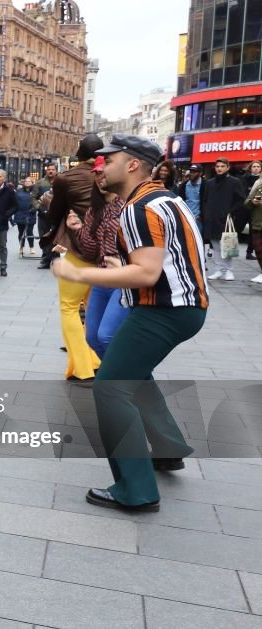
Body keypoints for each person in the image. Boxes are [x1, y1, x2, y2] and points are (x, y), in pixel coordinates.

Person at [53, 134, 207, 512]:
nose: (99, 166)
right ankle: (168, 448)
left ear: (133, 164)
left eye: (109, 160)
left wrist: (80, 275)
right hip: (183, 307)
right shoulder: (164, 198)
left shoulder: (139, 208)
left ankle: (135, 490)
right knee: (131, 374)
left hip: (165, 310)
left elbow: (146, 274)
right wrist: (121, 266)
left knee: (109, 388)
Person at [43, 133, 105, 383]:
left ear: (79, 153)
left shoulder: (66, 179)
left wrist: (52, 235)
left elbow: (55, 212)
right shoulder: (110, 175)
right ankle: (97, 359)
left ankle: (82, 367)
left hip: (78, 248)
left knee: (69, 307)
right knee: (93, 308)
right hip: (106, 250)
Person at [71, 157, 128, 359]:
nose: (100, 177)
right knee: (92, 338)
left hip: (124, 280)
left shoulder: (127, 206)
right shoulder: (94, 210)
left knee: (106, 337)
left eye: (103, 172)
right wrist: (77, 230)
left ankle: (122, 377)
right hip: (101, 279)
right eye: (96, 173)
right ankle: (123, 374)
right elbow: (89, 251)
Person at [200, 157, 245, 281]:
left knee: (227, 245)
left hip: (226, 219)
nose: (219, 168)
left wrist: (230, 212)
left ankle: (229, 270)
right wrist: (205, 214)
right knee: (215, 246)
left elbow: (241, 199)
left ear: (228, 167)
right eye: (218, 166)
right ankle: (219, 270)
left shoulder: (235, 182)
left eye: (222, 166)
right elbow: (204, 200)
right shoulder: (209, 183)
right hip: (211, 218)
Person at [35, 163, 58, 268]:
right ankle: (45, 259)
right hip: (43, 215)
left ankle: (55, 258)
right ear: (46, 171)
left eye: (53, 169)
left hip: (56, 215)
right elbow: (33, 198)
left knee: (56, 236)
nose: (51, 171)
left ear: (56, 171)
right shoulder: (40, 183)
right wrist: (40, 208)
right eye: (49, 169)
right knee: (44, 237)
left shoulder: (61, 181)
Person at [13, 176, 38, 257]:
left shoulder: (35, 191)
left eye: (29, 181)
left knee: (30, 232)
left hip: (30, 214)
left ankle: (32, 247)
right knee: (21, 232)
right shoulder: (19, 191)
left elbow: (38, 201)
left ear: (32, 182)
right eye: (26, 181)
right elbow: (15, 202)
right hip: (20, 214)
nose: (27, 182)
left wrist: (34, 209)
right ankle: (22, 247)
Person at [245, 173, 262, 283]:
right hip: (257, 223)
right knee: (259, 250)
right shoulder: (258, 184)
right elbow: (246, 203)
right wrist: (252, 202)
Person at [177, 164, 203, 235]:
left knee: (197, 241)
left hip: (198, 219)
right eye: (191, 172)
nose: (192, 174)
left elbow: (207, 202)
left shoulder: (205, 185)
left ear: (200, 173)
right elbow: (180, 201)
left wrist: (201, 216)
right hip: (186, 217)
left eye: (194, 172)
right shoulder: (184, 185)